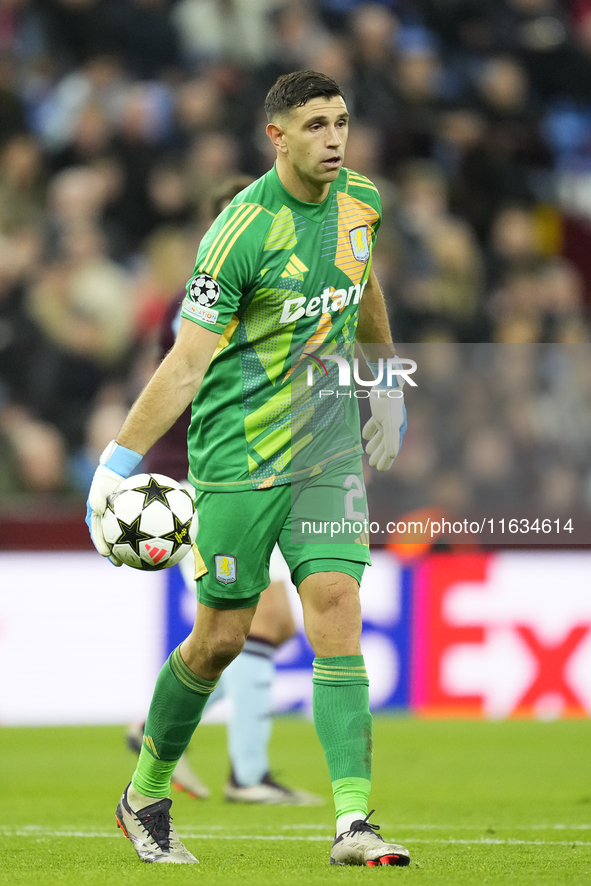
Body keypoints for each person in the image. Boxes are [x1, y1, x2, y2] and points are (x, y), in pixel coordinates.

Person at [87, 70, 409, 867]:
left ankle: (352, 821)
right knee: (221, 639)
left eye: (340, 121)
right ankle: (146, 793)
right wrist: (114, 464)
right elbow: (187, 363)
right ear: (277, 136)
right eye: (314, 125)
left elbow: (362, 286)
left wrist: (386, 383)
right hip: (236, 454)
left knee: (333, 601)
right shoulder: (238, 232)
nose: (334, 138)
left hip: (325, 446)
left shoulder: (361, 201)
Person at [128, 182, 324, 804]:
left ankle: (187, 745)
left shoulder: (251, 295)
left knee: (271, 625)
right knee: (250, 621)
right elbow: (206, 376)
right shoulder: (206, 302)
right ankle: (245, 774)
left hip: (244, 470)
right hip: (199, 475)